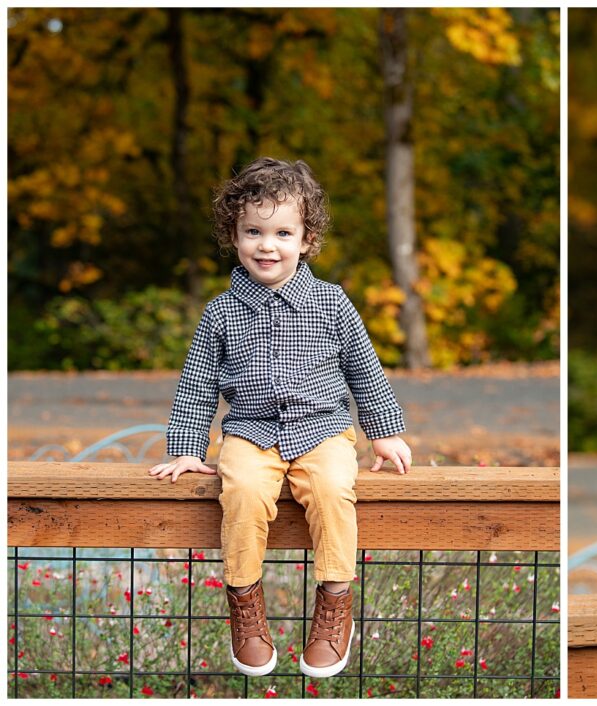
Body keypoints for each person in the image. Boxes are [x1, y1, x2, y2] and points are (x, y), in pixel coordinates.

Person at [148, 157, 414, 678]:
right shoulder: (220, 312)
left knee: (336, 489)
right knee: (242, 491)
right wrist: (186, 447)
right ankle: (245, 607)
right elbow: (197, 385)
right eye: (253, 231)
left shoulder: (332, 303)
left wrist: (385, 434)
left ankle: (335, 605)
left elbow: (365, 368)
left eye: (282, 232)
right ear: (234, 234)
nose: (267, 245)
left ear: (306, 238)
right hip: (250, 432)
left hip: (322, 431)